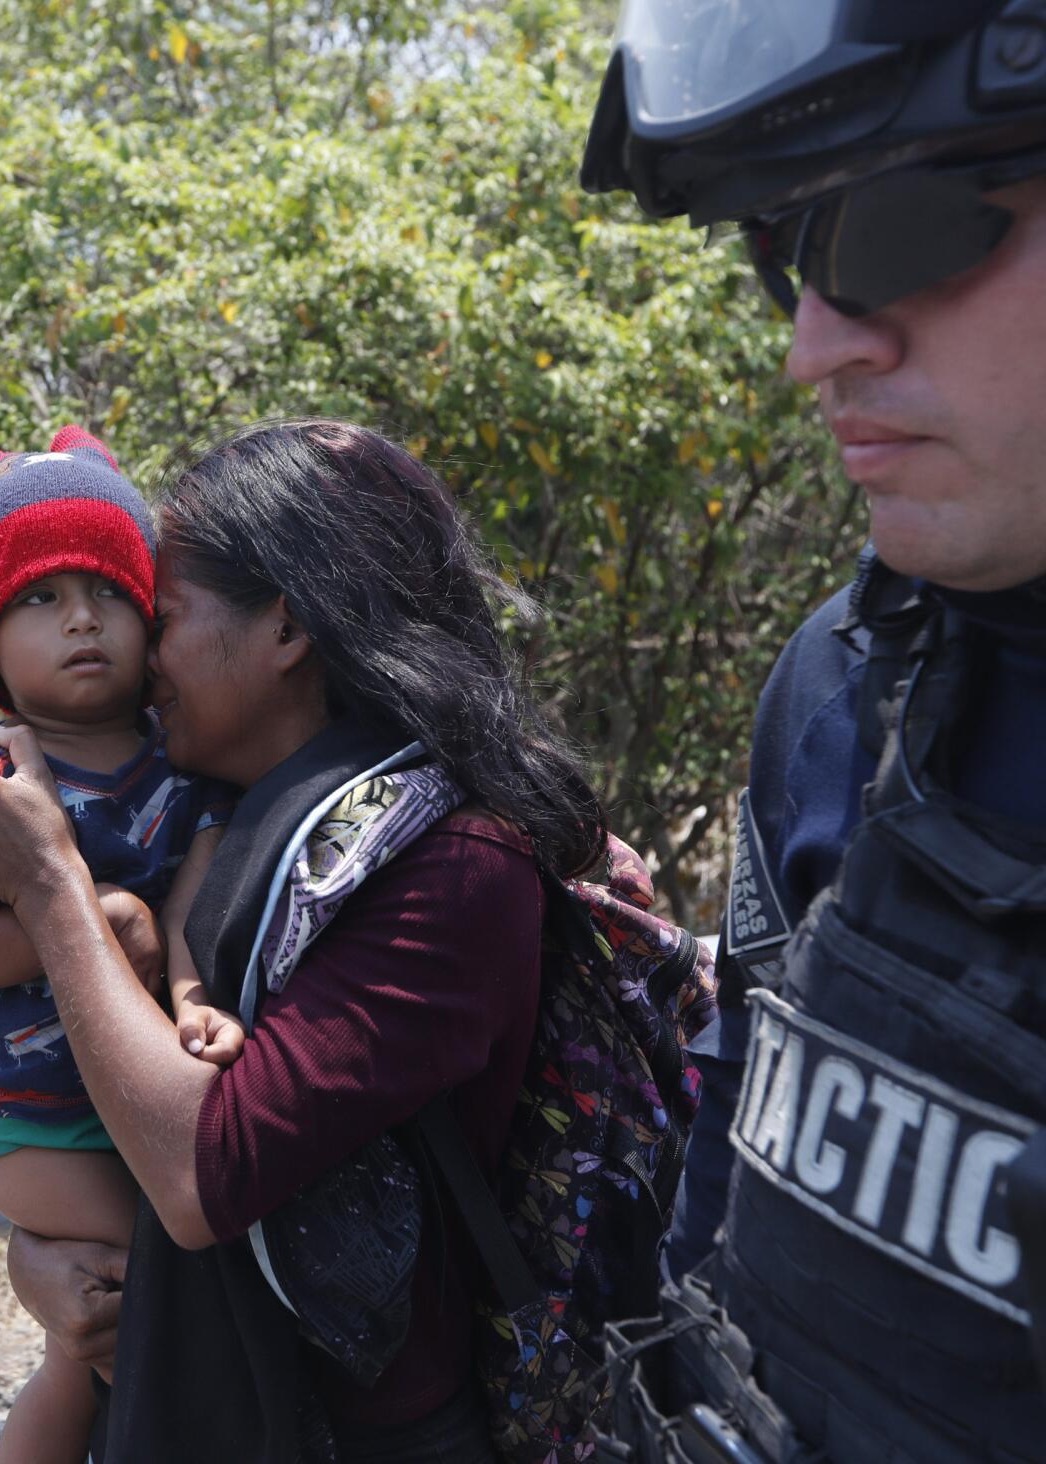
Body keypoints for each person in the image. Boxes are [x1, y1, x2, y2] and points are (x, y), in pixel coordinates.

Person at [0, 418, 613, 1463]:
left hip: (359, 1433)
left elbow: (202, 1173)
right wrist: (49, 1255)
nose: (139, 656)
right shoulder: (251, 816)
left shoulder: (450, 864)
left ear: (284, 629)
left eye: (160, 612)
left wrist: (52, 883)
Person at [582, 3, 1046, 1461]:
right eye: (780, 250)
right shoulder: (853, 681)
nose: (811, 346)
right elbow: (741, 1154)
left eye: (895, 227)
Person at [0, 426, 238, 1464]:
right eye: (38, 601)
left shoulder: (178, 755)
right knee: (134, 1321)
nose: (81, 620)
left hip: (132, 1102)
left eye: (105, 593)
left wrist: (189, 995)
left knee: (103, 1342)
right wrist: (95, 924)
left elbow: (190, 900)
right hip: (34, 1121)